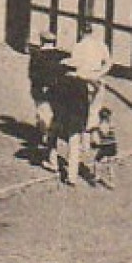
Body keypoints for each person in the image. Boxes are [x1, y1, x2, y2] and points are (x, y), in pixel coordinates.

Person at [28, 32, 69, 165]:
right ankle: (48, 134)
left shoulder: (36, 56)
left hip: (40, 91)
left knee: (42, 113)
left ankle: (45, 136)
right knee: (51, 113)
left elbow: (32, 74)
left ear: (41, 41)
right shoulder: (59, 55)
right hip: (56, 91)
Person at [49, 65, 90, 187]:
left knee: (52, 137)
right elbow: (85, 106)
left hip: (62, 119)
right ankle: (72, 177)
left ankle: (53, 163)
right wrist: (84, 122)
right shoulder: (82, 84)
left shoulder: (59, 83)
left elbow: (54, 102)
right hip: (77, 120)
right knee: (74, 147)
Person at [88, 106, 118, 189]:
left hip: (105, 146)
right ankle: (112, 181)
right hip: (113, 146)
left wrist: (95, 130)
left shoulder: (101, 125)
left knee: (96, 161)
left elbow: (102, 133)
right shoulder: (111, 124)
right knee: (110, 164)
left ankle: (96, 176)